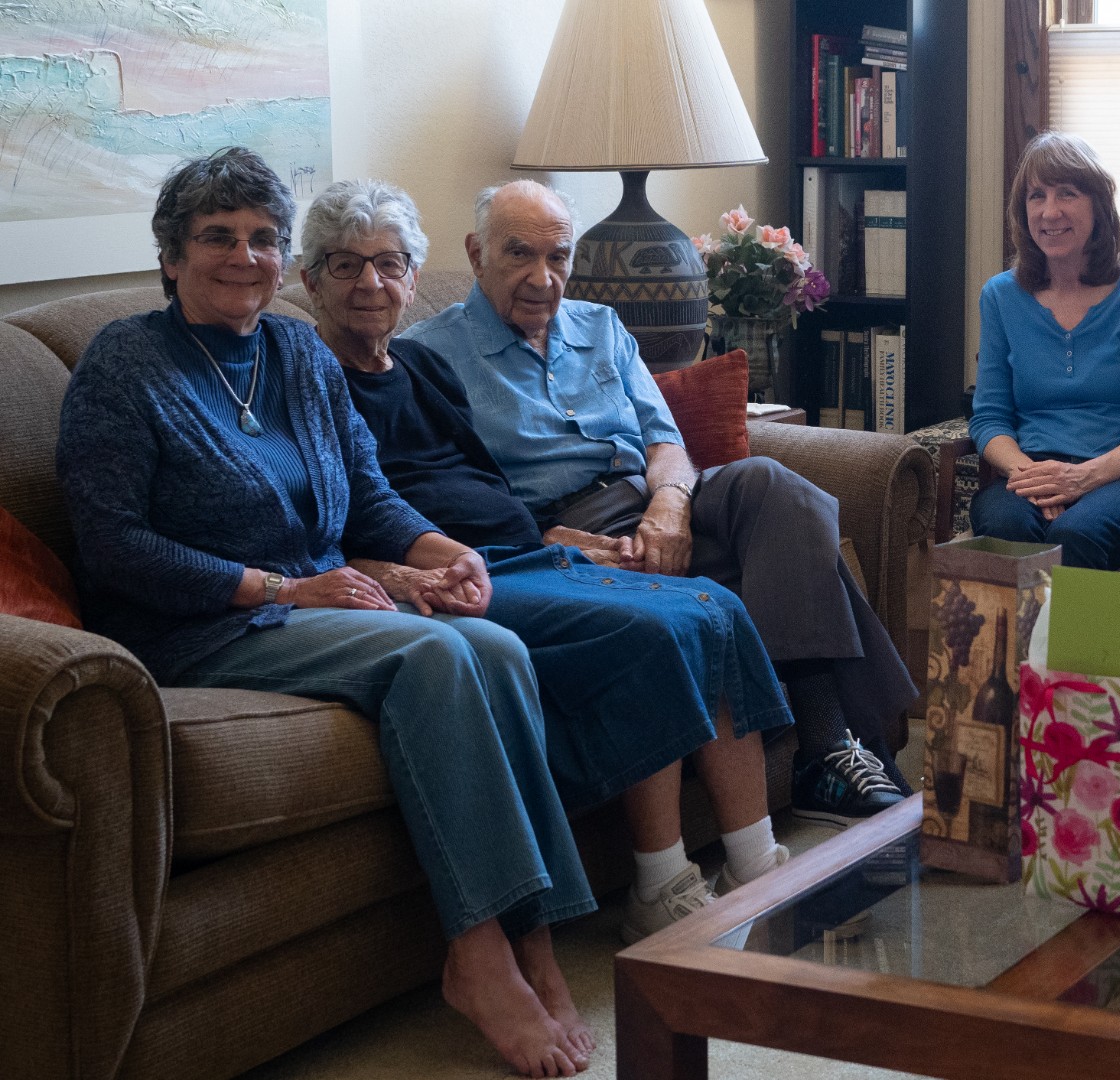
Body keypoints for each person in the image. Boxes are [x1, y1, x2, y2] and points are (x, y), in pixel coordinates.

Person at [56, 148, 593, 1077]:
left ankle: (533, 939)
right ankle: (477, 954)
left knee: (497, 645)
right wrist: (279, 588)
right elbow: (114, 546)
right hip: (201, 627)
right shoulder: (125, 363)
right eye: (217, 237)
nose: (245, 256)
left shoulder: (299, 351)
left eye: (263, 237)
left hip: (316, 604)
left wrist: (445, 554)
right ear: (172, 256)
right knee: (434, 657)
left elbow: (370, 498)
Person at [298, 179, 794, 943]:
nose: (372, 284)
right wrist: (408, 572)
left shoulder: (420, 369)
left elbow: (488, 487)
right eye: (346, 265)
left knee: (713, 606)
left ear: (412, 276)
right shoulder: (312, 383)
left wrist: (557, 541)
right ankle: (661, 884)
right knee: (655, 629)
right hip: (465, 572)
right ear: (311, 282)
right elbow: (336, 518)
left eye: (390, 264)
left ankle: (757, 864)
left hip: (523, 551)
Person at [400, 180, 919, 825]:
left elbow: (664, 439)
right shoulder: (428, 355)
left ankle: (827, 749)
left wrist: (670, 504)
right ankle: (831, 747)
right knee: (802, 563)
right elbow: (447, 492)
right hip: (565, 528)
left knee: (775, 487)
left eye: (558, 256)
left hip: (655, 499)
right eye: (519, 254)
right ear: (477, 254)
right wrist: (545, 541)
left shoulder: (601, 325)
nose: (543, 278)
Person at [966, 131, 1120, 569]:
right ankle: (1020, 623)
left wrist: (1082, 478)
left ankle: (1082, 622)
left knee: (1075, 533)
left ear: (1098, 206)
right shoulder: (1000, 297)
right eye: (1037, 196)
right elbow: (989, 417)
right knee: (1005, 525)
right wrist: (1033, 477)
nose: (1050, 211)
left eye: (1067, 193)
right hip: (1029, 471)